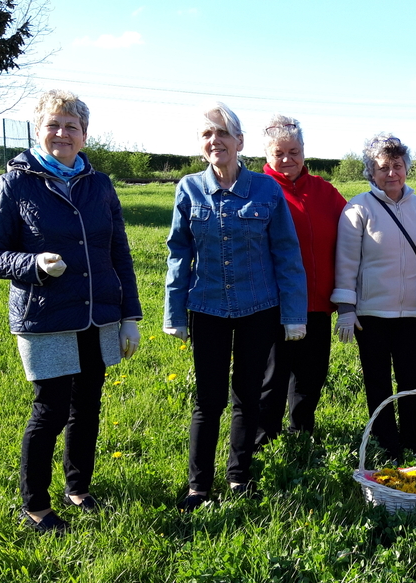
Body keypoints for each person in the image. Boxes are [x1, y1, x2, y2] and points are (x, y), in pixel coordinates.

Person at [0, 89, 142, 534]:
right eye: (54, 124)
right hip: (45, 316)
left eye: (72, 126)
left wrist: (131, 315)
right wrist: (32, 265)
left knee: (87, 405)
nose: (62, 133)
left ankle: (78, 487)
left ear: (85, 135)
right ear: (39, 130)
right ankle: (34, 505)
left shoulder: (100, 185)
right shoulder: (15, 183)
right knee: (50, 410)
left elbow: (119, 253)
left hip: (96, 314)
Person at [163, 102, 307, 511]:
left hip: (257, 309)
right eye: (208, 134)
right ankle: (198, 487)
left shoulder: (266, 190)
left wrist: (293, 314)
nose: (215, 141)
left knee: (247, 395)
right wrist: (174, 313)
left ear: (240, 142)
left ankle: (239, 477)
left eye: (223, 133)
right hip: (206, 308)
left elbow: (286, 253)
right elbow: (178, 254)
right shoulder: (189, 189)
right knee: (207, 401)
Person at [331, 132, 416, 461]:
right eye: (383, 167)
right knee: (378, 382)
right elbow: (346, 262)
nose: (391, 173)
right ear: (371, 172)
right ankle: (386, 441)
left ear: (407, 168)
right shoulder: (358, 209)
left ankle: (412, 439)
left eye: (397, 165)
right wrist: (346, 309)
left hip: (412, 314)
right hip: (371, 315)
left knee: (411, 380)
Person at [255, 115, 347, 444]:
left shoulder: (324, 191)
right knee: (273, 375)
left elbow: (354, 230)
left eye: (293, 151)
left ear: (304, 151)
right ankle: (264, 439)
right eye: (279, 153)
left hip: (318, 302)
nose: (287, 159)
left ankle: (301, 433)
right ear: (266, 154)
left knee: (311, 375)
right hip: (272, 303)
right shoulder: (257, 190)